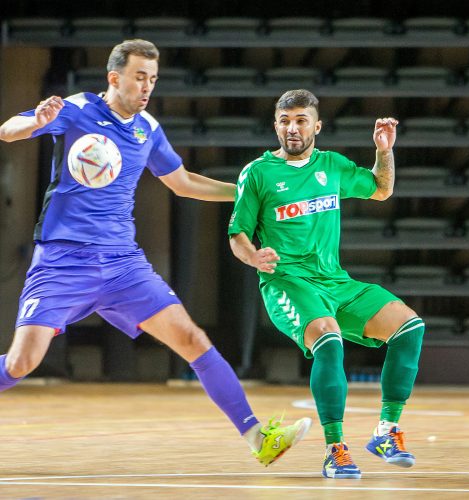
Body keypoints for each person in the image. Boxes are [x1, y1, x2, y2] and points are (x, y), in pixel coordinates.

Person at [0, 40, 311, 466]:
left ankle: (259, 438)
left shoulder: (147, 128)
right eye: (139, 77)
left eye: (153, 79)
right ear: (115, 78)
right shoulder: (77, 109)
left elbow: (182, 182)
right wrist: (36, 120)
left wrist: (248, 191)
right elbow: (7, 130)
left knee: (193, 339)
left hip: (123, 264)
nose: (147, 87)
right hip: (63, 261)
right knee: (21, 363)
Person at [228, 89, 425, 479]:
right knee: (329, 338)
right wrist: (252, 256)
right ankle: (335, 449)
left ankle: (387, 431)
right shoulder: (258, 173)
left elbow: (381, 189)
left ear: (317, 125)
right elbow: (237, 234)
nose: (292, 128)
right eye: (285, 121)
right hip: (287, 282)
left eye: (301, 120)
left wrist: (384, 150)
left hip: (335, 281)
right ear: (275, 126)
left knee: (409, 326)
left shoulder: (332, 166)